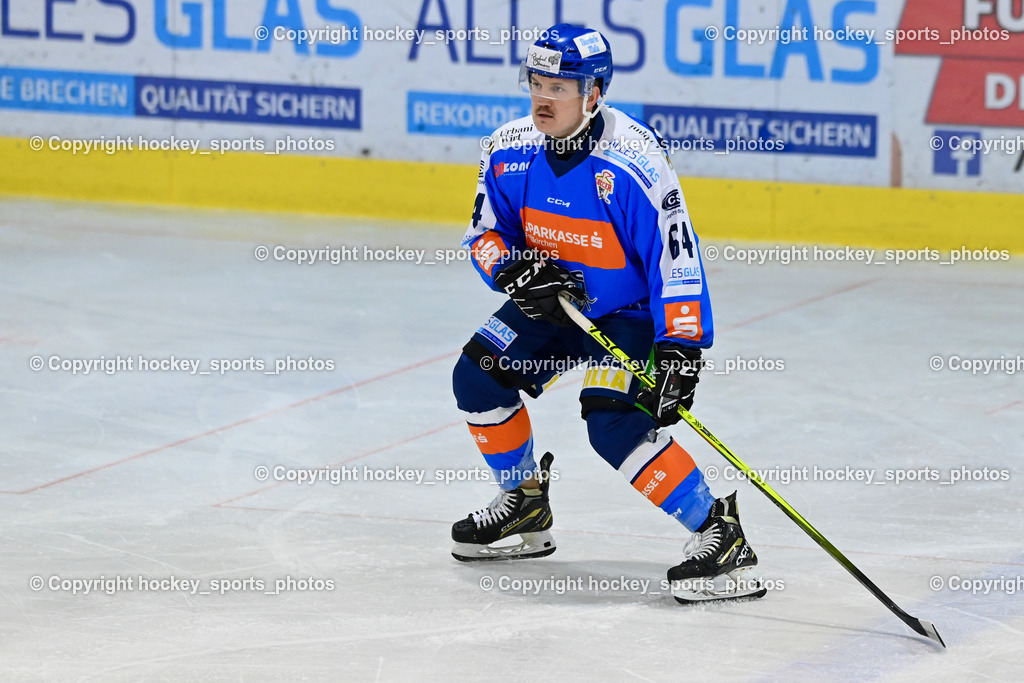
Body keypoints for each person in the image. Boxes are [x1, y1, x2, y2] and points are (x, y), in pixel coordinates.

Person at [449, 23, 762, 602]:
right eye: (536, 82)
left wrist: (681, 347)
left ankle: (719, 531)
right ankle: (523, 502)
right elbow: (485, 234)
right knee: (476, 375)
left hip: (632, 314)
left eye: (560, 87)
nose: (543, 98)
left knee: (613, 422)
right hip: (557, 306)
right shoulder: (508, 148)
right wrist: (515, 271)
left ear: (593, 94)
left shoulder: (634, 160)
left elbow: (675, 255)